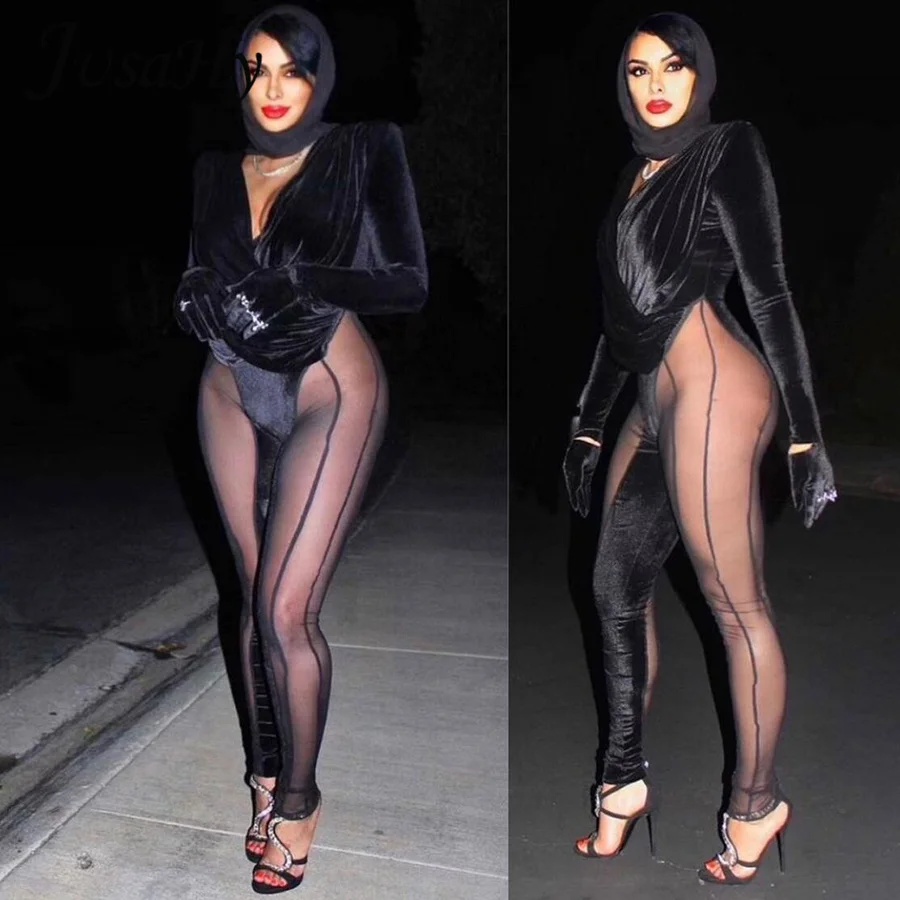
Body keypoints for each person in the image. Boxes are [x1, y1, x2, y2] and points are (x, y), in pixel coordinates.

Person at [562, 11, 836, 886]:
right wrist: (588, 421)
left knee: (734, 606)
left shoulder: (728, 148)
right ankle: (623, 780)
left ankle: (756, 805)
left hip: (716, 385)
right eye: (638, 70)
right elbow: (620, 318)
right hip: (651, 398)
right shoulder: (634, 173)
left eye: (673, 67)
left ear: (700, 74)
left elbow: (771, 290)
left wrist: (805, 428)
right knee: (612, 587)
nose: (656, 85)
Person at [173, 4, 427, 892]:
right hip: (227, 386)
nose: (273, 88)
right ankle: (265, 774)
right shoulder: (214, 170)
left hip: (328, 382)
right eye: (257, 69)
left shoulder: (363, 149)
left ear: (319, 77)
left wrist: (301, 279)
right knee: (250, 599)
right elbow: (199, 269)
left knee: (288, 610)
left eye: (292, 69)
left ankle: (301, 802)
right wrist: (192, 296)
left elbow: (407, 281)